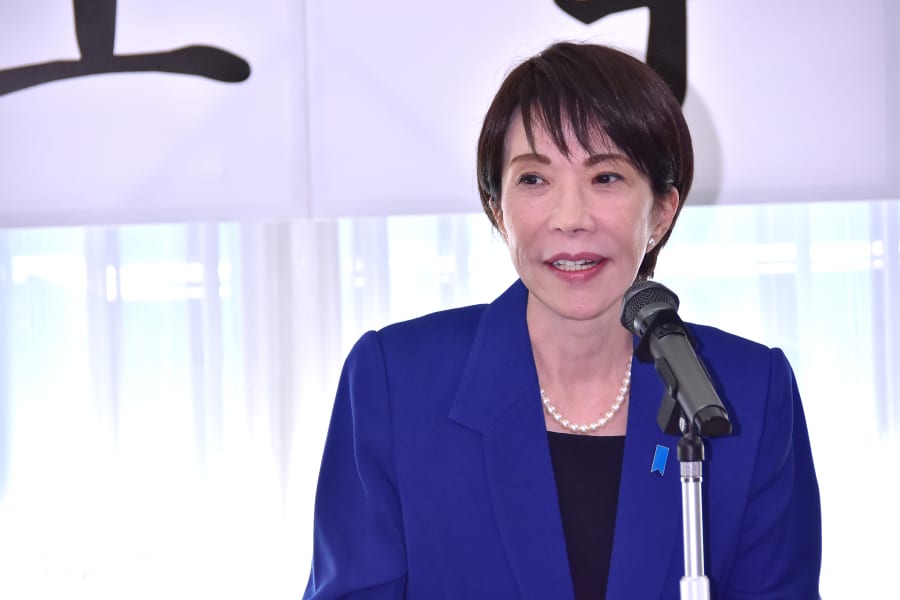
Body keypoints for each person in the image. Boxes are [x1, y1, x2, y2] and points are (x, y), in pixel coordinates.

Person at [302, 42, 821, 599]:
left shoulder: (746, 389)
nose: (570, 219)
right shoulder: (397, 382)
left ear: (662, 212)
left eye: (606, 177)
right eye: (533, 179)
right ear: (497, 208)